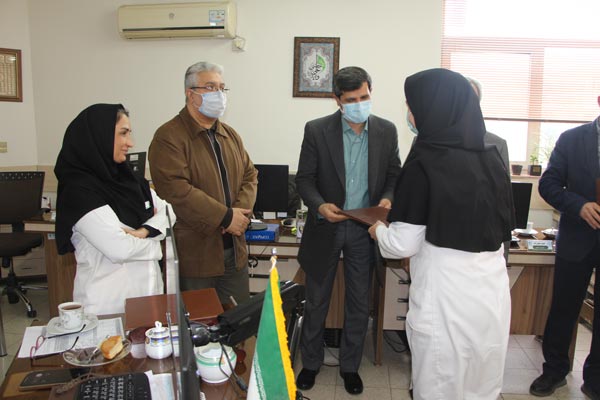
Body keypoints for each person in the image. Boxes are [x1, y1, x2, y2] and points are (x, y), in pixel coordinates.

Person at [369, 68, 513, 399]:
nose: (410, 114)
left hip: (446, 297)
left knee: (439, 384)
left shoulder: (423, 162)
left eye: (412, 105)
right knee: (481, 385)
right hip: (490, 295)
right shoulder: (491, 158)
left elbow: (402, 244)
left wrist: (378, 231)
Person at [295, 66, 402, 395]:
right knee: (316, 300)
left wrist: (388, 198)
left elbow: (394, 174)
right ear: (337, 100)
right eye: (351, 99)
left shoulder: (386, 130)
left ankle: (350, 367)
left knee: (358, 302)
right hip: (327, 226)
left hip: (364, 229)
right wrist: (319, 206)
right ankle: (311, 363)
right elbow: (304, 179)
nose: (359, 104)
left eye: (364, 97)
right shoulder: (317, 130)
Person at [149, 61, 257, 306]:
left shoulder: (229, 135)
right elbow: (175, 189)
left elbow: (250, 175)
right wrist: (225, 217)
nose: (219, 94)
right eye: (210, 87)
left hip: (234, 252)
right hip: (196, 256)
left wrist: (238, 215)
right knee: (200, 323)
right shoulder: (169, 136)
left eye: (222, 87)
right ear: (190, 94)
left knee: (238, 321)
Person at [55, 104, 173, 316]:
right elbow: (120, 249)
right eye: (123, 133)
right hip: (107, 306)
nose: (130, 142)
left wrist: (143, 232)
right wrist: (158, 245)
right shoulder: (79, 191)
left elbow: (169, 212)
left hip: (149, 296)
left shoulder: (131, 181)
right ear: (99, 136)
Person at [529, 96, 600, 399]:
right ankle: (554, 371)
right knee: (563, 308)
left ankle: (595, 378)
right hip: (577, 239)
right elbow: (549, 185)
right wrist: (579, 205)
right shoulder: (572, 139)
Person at [467, 76, 511, 262]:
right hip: (438, 248)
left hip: (482, 248)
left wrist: (503, 257)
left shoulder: (496, 145)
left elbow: (503, 205)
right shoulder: (426, 143)